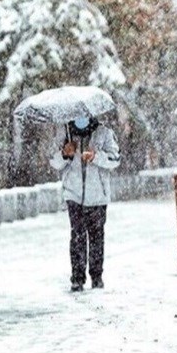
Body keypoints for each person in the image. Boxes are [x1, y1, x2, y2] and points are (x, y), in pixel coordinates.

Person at [49, 116, 120, 292]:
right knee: (77, 236)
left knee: (96, 236)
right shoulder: (64, 132)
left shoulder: (104, 133)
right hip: (73, 194)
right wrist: (65, 153)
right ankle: (77, 278)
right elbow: (54, 161)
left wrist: (96, 156)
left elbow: (115, 159)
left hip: (97, 196)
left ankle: (96, 276)